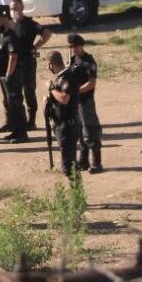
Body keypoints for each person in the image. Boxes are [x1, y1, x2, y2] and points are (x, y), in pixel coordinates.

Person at [10, 0, 53, 130]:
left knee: (29, 90)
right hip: (14, 63)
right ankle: (17, 120)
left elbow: (47, 34)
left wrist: (35, 47)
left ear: (22, 8)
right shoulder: (10, 24)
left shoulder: (29, 24)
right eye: (11, 9)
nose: (13, 11)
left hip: (28, 62)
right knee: (15, 93)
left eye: (16, 8)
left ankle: (31, 120)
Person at [69, 34, 103, 173]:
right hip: (75, 102)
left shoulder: (88, 61)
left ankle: (97, 163)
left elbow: (92, 82)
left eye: (75, 46)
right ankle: (83, 161)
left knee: (91, 131)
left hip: (86, 101)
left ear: (81, 45)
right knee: (79, 131)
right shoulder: (73, 60)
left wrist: (76, 91)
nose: (73, 49)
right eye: (71, 47)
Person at [46, 51, 83, 178]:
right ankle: (77, 194)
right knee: (70, 164)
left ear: (51, 64)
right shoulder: (62, 76)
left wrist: (51, 89)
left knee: (69, 166)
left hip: (68, 126)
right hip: (65, 124)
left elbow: (64, 99)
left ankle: (77, 195)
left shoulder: (67, 77)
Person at [0, 11, 28, 143]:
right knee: (10, 104)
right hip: (4, 76)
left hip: (12, 77)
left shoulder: (12, 37)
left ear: (7, 21)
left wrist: (8, 75)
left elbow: (13, 57)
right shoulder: (3, 35)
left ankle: (22, 133)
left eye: (0, 22)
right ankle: (15, 131)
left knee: (16, 104)